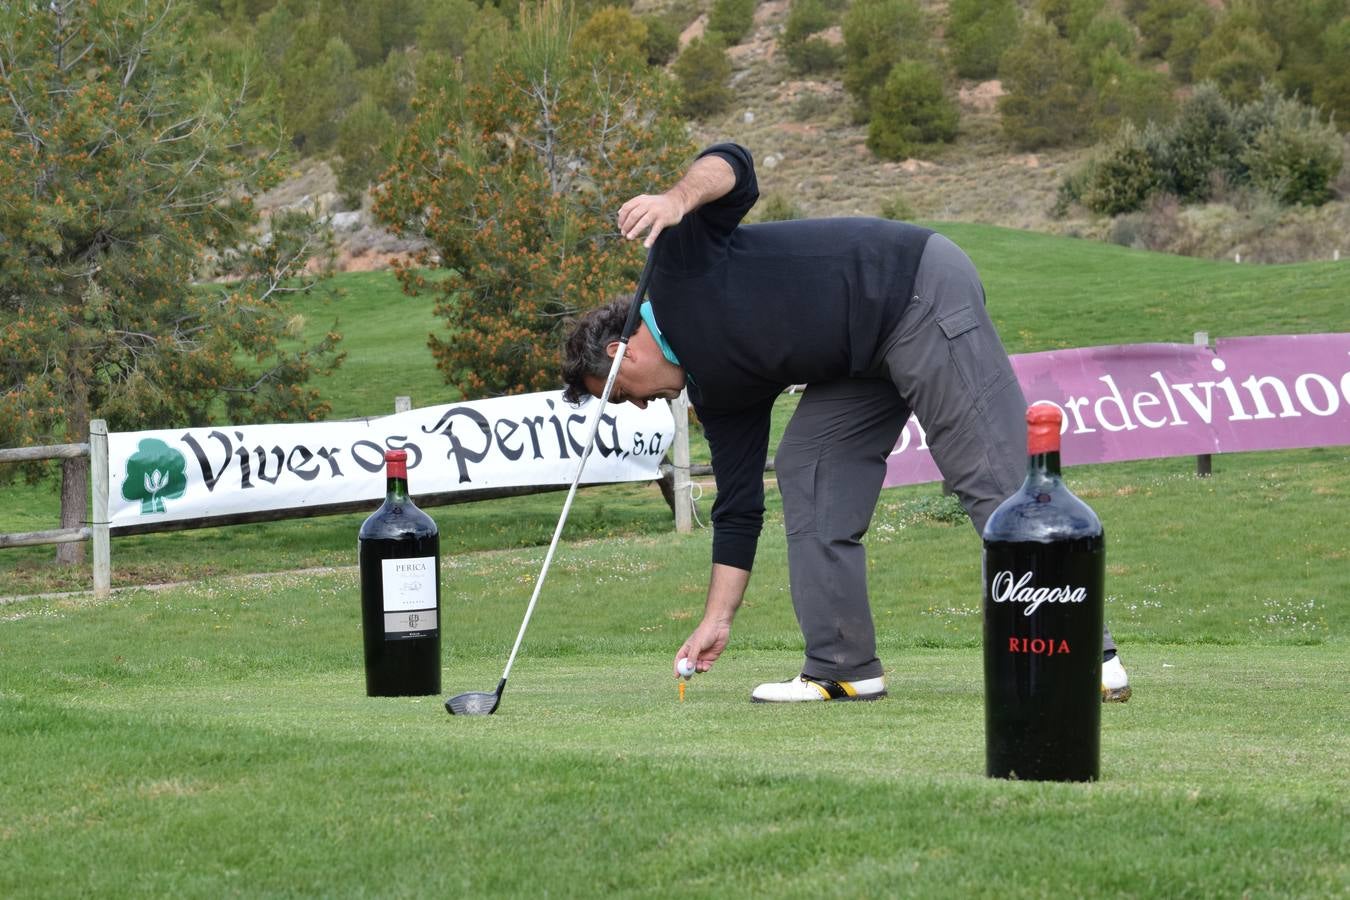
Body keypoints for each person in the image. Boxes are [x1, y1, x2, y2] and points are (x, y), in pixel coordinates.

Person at [561, 143, 1131, 703]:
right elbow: (737, 508)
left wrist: (676, 199)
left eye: (618, 397)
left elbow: (735, 163)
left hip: (914, 289)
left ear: (620, 354)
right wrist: (717, 620)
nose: (635, 407)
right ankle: (842, 667)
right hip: (860, 355)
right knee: (809, 465)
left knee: (990, 472)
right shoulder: (715, 391)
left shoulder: (677, 265)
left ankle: (1085, 657)